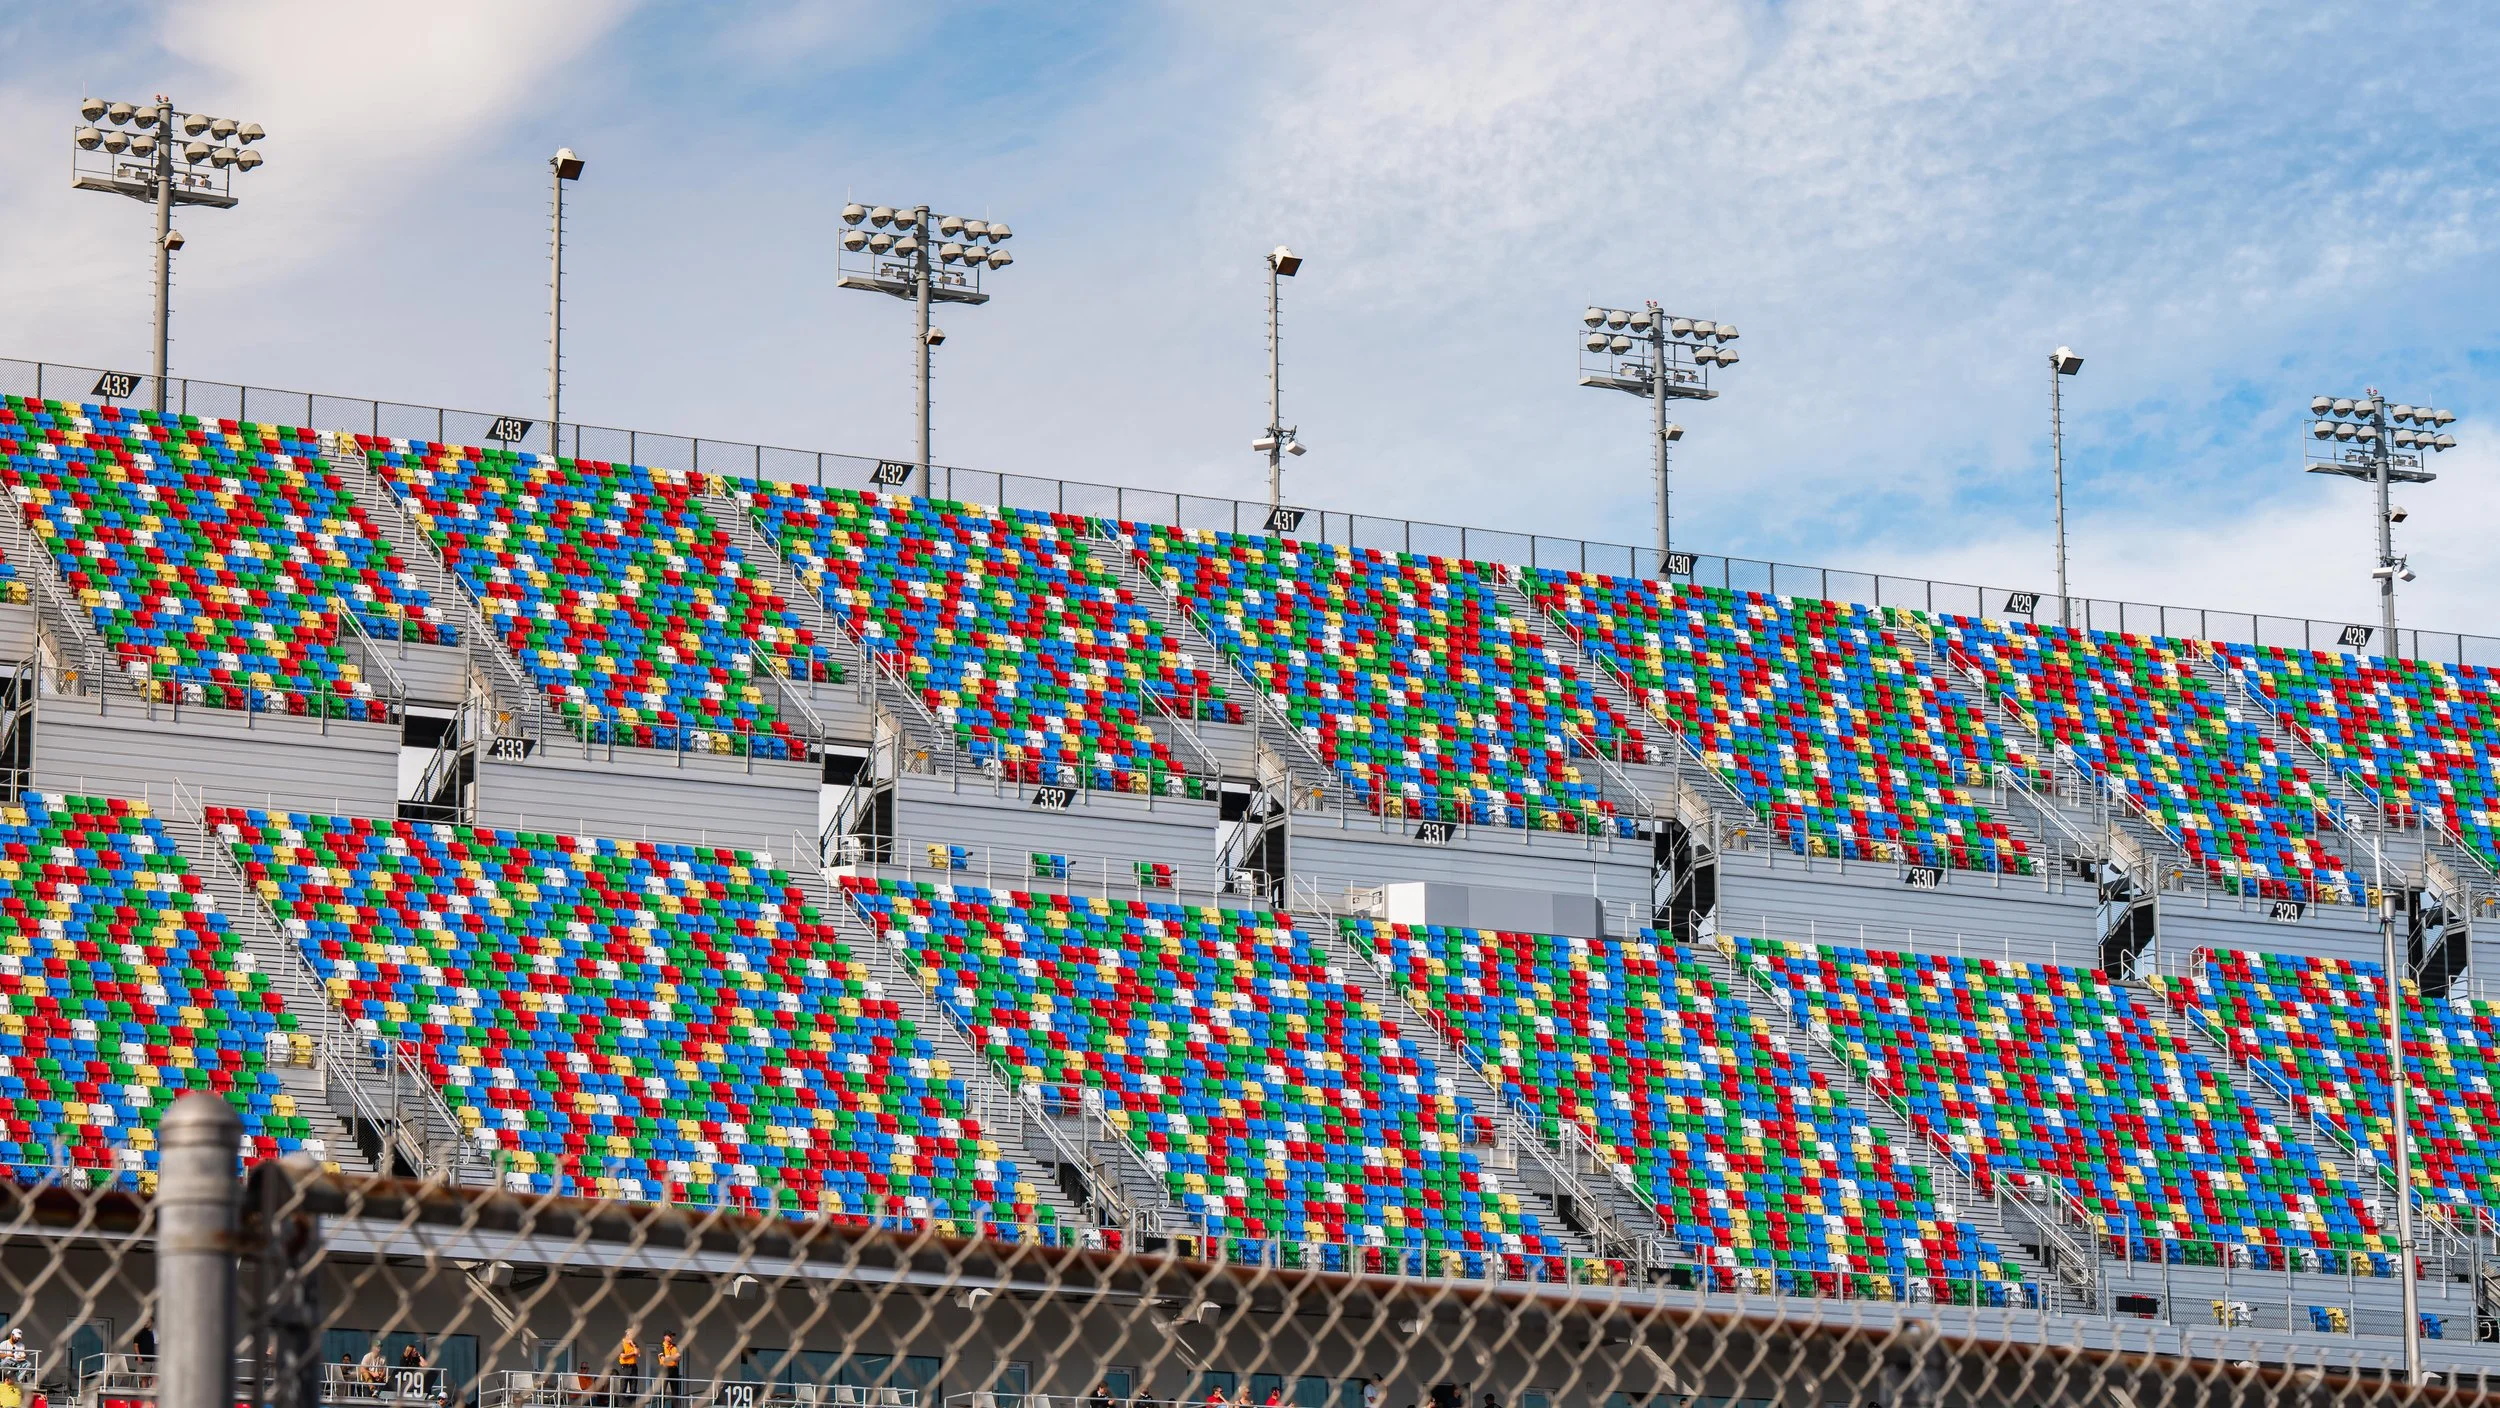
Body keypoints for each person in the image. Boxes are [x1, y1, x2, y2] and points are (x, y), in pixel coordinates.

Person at [614, 1332, 641, 1404]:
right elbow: (623, 1356)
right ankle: (622, 1405)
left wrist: (633, 1344)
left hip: (633, 1367)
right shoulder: (621, 1344)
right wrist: (633, 1353)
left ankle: (632, 1404)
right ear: (627, 1335)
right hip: (624, 1368)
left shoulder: (634, 1343)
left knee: (633, 1388)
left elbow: (638, 1354)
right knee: (623, 1388)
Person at [656, 1334, 681, 1406]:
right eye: (669, 1336)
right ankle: (661, 1406)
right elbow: (663, 1359)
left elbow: (679, 1358)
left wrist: (669, 1357)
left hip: (674, 1369)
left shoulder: (675, 1346)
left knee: (675, 1391)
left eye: (672, 1336)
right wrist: (674, 1357)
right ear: (665, 1337)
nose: (671, 1338)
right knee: (663, 1391)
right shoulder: (661, 1347)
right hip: (665, 1369)